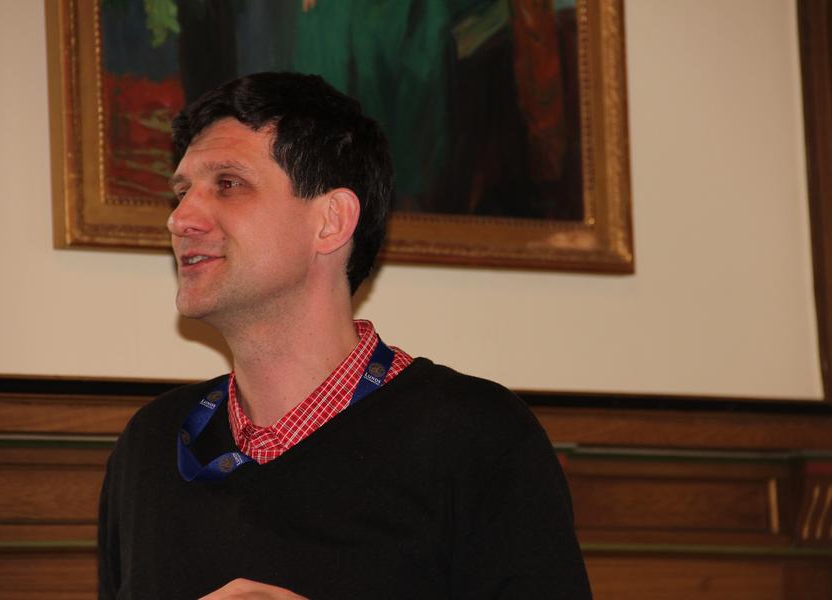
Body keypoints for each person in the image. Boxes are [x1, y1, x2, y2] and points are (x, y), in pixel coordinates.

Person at [97, 72, 592, 600]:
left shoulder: (478, 437)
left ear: (331, 221)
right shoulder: (150, 446)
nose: (180, 219)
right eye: (181, 193)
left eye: (228, 184)